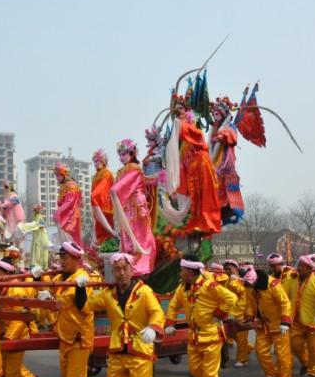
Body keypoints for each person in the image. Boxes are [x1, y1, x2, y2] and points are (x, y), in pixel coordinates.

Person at [88, 253, 165, 377]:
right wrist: (80, 290)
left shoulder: (144, 291)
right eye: (117, 269)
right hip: (117, 351)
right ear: (113, 272)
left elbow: (157, 312)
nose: (121, 273)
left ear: (132, 270)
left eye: (125, 268)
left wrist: (154, 329)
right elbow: (87, 304)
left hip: (140, 352)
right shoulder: (108, 294)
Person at [37, 242, 106, 377]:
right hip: (65, 335)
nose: (62, 261)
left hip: (79, 337)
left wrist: (51, 299)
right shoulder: (59, 276)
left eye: (65, 258)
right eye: (61, 257)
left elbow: (69, 299)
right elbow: (47, 288)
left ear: (77, 259)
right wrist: (37, 278)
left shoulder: (82, 277)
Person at [164, 257, 237, 377]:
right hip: (194, 336)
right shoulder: (182, 288)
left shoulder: (209, 286)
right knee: (195, 370)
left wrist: (219, 314)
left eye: (182, 270)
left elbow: (231, 298)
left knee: (210, 374)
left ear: (189, 272)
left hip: (211, 336)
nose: (180, 273)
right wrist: (170, 323)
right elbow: (174, 306)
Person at [164, 109, 222, 234]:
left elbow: (189, 132)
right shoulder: (184, 146)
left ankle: (206, 223)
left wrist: (179, 124)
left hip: (203, 168)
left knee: (205, 196)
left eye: (186, 120)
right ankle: (196, 221)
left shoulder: (198, 133)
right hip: (193, 173)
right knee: (196, 198)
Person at [242, 267, 293, 377]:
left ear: (255, 280)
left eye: (249, 283)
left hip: (279, 326)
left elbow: (285, 303)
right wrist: (249, 317)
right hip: (262, 326)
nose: (247, 285)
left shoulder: (273, 284)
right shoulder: (249, 287)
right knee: (260, 352)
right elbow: (250, 303)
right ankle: (272, 376)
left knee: (283, 356)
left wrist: (285, 321)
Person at [110, 139, 156, 276]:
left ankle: (139, 268)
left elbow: (119, 188)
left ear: (132, 153)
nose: (121, 157)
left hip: (136, 207)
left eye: (124, 154)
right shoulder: (123, 171)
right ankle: (130, 266)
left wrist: (114, 191)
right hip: (126, 207)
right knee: (127, 238)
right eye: (120, 154)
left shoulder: (134, 169)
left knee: (139, 236)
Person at [286, 256, 315, 377]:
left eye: (301, 266)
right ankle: (306, 363)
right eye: (298, 265)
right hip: (296, 321)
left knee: (314, 349)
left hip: (313, 322)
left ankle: (313, 371)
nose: (298, 268)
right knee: (295, 346)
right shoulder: (292, 280)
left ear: (309, 269)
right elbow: (284, 295)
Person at [208, 96, 244, 225]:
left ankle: (226, 205)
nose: (215, 116)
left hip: (224, 160)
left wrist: (220, 137)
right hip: (212, 159)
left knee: (222, 183)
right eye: (214, 114)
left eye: (218, 114)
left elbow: (231, 134)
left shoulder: (228, 126)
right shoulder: (213, 128)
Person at [222, 260, 253, 368]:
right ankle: (248, 348)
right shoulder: (229, 280)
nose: (227, 271)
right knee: (230, 334)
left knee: (241, 338)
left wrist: (233, 280)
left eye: (229, 269)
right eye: (225, 269)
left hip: (241, 313)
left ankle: (242, 359)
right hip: (230, 313)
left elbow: (239, 290)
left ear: (235, 269)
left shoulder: (240, 280)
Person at [52, 162, 83, 246]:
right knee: (65, 241)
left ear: (65, 174)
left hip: (71, 216)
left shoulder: (71, 185)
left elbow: (70, 202)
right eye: (56, 175)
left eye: (59, 175)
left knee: (70, 241)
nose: (57, 177)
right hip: (66, 214)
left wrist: (58, 212)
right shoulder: (64, 185)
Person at [90, 149, 116, 245]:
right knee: (97, 231)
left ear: (103, 160)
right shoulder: (96, 174)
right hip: (97, 206)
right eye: (94, 161)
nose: (95, 164)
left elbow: (103, 186)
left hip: (105, 206)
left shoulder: (106, 173)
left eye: (97, 161)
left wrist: (93, 196)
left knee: (105, 233)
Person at [1, 181, 26, 248]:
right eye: (5, 187)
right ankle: (17, 246)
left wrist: (1, 205)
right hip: (17, 212)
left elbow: (9, 203)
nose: (6, 189)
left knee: (12, 229)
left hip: (14, 212)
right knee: (18, 229)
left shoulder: (11, 194)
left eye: (7, 187)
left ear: (10, 188)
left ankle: (14, 245)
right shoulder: (14, 195)